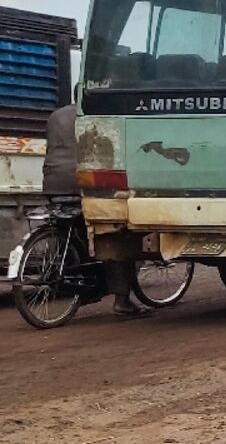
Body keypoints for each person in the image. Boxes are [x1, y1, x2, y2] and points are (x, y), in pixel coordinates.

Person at [43, 104, 151, 318]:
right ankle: (122, 302)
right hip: (84, 183)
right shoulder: (99, 113)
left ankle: (83, 285)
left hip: (53, 184)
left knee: (73, 231)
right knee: (116, 233)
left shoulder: (56, 116)